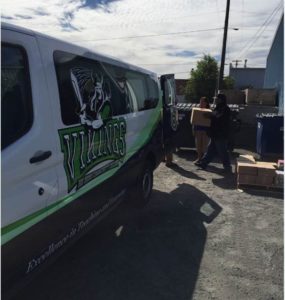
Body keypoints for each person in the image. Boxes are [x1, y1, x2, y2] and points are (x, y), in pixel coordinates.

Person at [195, 93, 232, 173]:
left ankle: (227, 167)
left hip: (221, 135)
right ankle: (203, 163)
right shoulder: (217, 108)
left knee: (222, 151)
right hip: (215, 134)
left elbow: (220, 119)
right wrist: (209, 115)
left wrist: (210, 116)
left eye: (217, 99)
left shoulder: (225, 109)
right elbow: (214, 116)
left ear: (221, 100)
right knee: (210, 150)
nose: (215, 100)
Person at [193, 97, 210, 163]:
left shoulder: (209, 111)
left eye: (203, 102)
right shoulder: (197, 110)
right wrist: (194, 129)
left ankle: (204, 160)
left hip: (205, 131)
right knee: (198, 146)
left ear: (206, 103)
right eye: (200, 102)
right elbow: (194, 120)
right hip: (198, 130)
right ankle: (199, 158)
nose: (201, 103)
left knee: (205, 146)